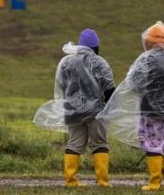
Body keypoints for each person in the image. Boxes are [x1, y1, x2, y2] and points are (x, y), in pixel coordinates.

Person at [97, 21, 164, 191]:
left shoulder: (146, 59)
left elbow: (133, 83)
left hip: (150, 109)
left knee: (153, 143)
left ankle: (155, 183)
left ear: (150, 42)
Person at [33, 29, 115, 187]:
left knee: (74, 144)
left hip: (72, 111)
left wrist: (69, 104)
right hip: (96, 112)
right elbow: (109, 87)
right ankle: (102, 182)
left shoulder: (66, 62)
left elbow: (61, 86)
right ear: (96, 46)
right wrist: (111, 108)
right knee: (99, 144)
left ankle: (71, 181)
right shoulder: (99, 62)